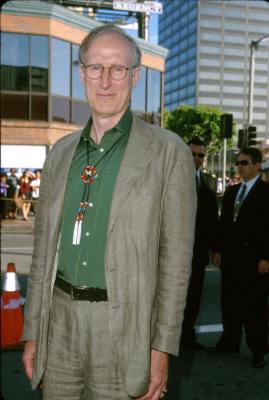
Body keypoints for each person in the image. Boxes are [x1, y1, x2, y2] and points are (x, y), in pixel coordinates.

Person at [22, 24, 197, 400]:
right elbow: (41, 254)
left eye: (117, 69)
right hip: (60, 325)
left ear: (134, 76)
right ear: (81, 72)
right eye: (95, 68)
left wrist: (161, 348)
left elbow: (176, 264)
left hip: (125, 329)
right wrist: (34, 331)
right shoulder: (60, 154)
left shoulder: (169, 152)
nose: (105, 80)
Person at [208, 147, 269, 368]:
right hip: (231, 259)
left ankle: (259, 349)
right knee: (230, 303)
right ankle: (229, 342)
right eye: (238, 163)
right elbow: (224, 224)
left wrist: (266, 257)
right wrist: (217, 249)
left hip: (255, 262)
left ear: (256, 165)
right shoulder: (233, 192)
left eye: (244, 163)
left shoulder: (265, 192)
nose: (239, 166)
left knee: (255, 306)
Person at [180, 138, 219, 350]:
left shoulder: (209, 182)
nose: (196, 158)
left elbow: (212, 219)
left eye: (200, 155)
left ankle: (187, 337)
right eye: (192, 154)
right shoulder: (171, 178)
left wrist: (216, 248)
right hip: (173, 254)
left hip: (198, 253)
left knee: (194, 297)